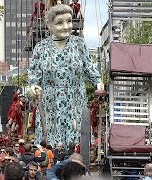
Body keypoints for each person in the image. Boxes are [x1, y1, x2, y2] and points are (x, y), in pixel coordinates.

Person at [28, 4, 103, 146]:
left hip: (75, 102)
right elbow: (33, 77)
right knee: (50, 147)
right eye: (59, 23)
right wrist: (32, 88)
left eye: (69, 21)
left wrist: (98, 82)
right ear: (49, 25)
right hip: (50, 105)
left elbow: (90, 68)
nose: (66, 26)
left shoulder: (79, 44)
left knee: (77, 146)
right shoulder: (41, 48)